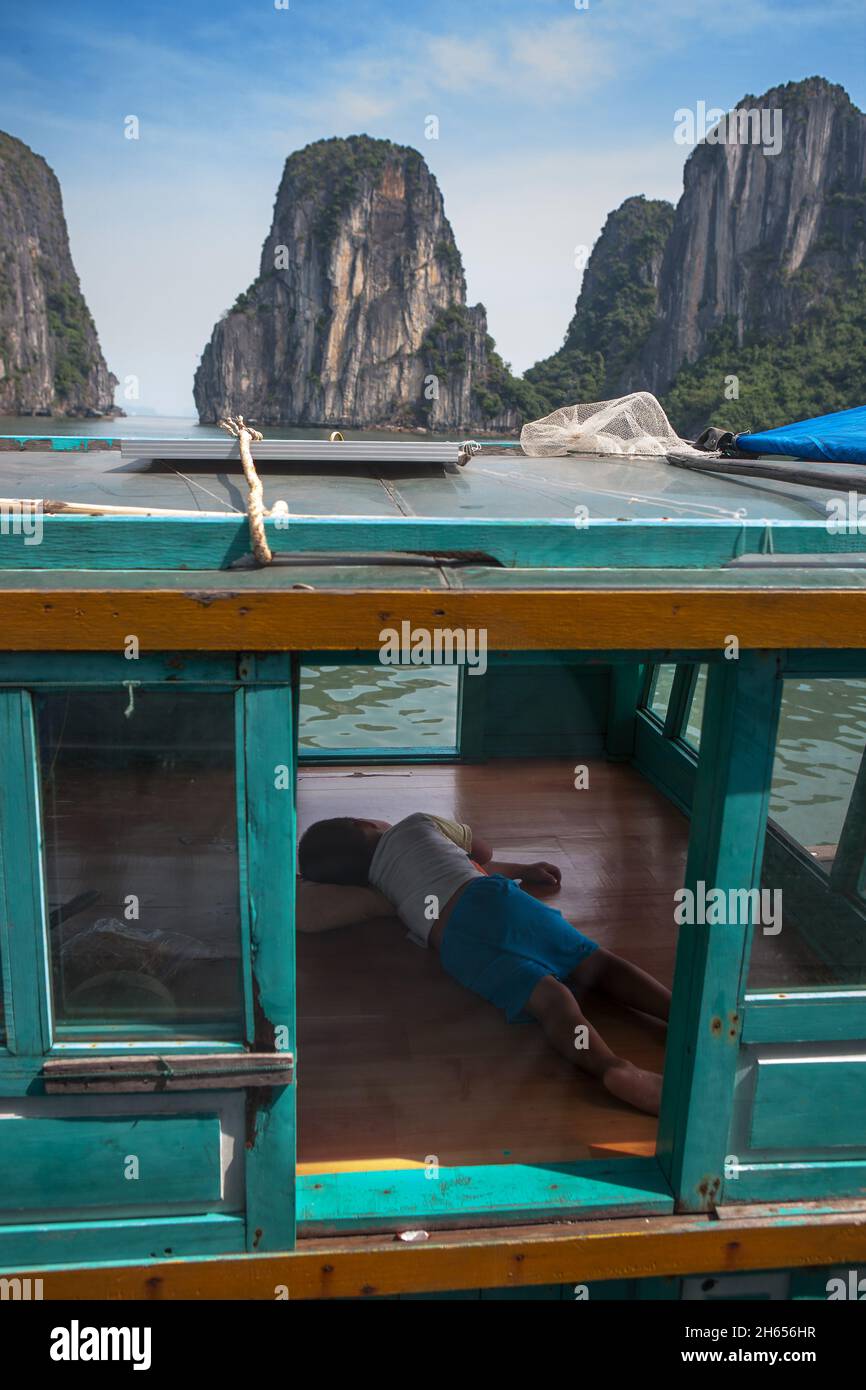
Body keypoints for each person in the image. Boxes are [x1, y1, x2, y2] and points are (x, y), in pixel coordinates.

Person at [298, 811, 670, 1114]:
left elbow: (456, 870)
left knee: (550, 1002)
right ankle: (677, 1012)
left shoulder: (377, 888)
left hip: (453, 944)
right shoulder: (416, 823)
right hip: (493, 899)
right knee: (597, 964)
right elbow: (479, 856)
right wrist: (521, 870)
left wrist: (519, 869)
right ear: (368, 824)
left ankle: (611, 1067)